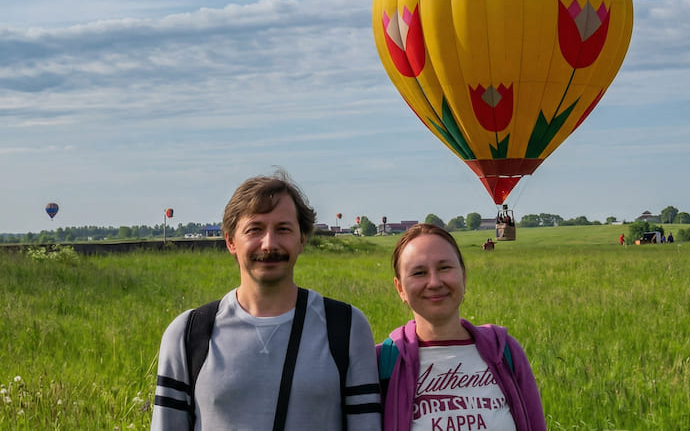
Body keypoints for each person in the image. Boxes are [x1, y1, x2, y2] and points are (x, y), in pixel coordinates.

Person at [151, 172, 381, 430]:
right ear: (230, 241)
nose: (269, 244)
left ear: (302, 239)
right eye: (254, 230)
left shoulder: (347, 327)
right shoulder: (188, 333)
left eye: (283, 229)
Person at [378, 223, 547, 431]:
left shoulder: (504, 351)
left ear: (463, 276)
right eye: (419, 273)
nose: (434, 282)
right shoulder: (382, 361)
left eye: (444, 268)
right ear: (400, 288)